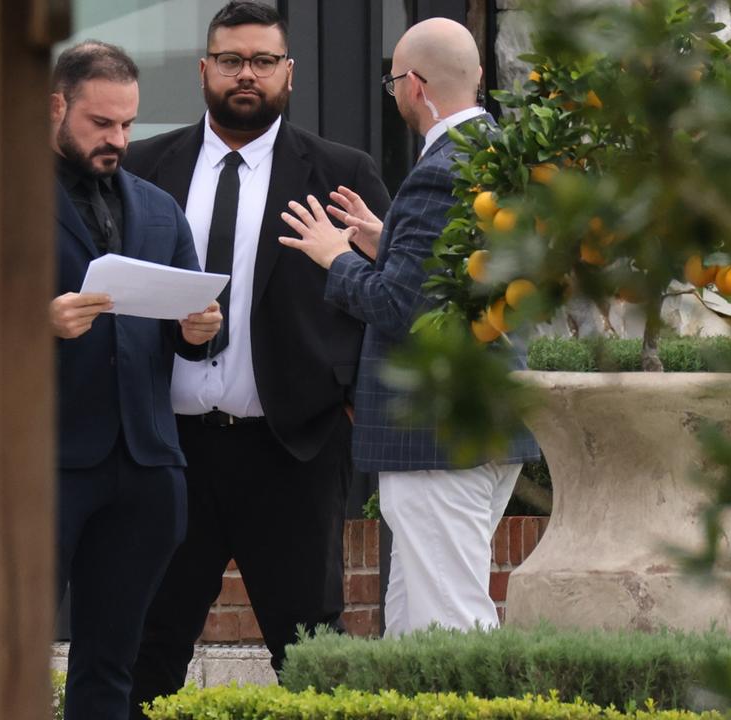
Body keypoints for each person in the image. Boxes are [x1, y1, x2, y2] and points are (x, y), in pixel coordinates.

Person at [124, 2, 391, 712]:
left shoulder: (340, 172)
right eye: (233, 59)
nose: (248, 74)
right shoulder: (147, 170)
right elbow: (116, 297)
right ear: (205, 69)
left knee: (309, 653)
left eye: (264, 61)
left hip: (292, 451)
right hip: (170, 453)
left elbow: (384, 301)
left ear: (289, 74)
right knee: (146, 646)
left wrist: (348, 400)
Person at [278, 17, 541, 637]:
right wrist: (386, 237)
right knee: (412, 626)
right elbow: (452, 285)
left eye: (392, 80)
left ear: (415, 85)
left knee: (449, 625)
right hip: (482, 425)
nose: (393, 92)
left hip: (435, 438)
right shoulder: (498, 153)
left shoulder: (439, 169)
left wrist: (333, 257)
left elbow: (403, 309)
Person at [48, 41, 223, 720]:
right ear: (56, 106)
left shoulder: (156, 209)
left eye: (127, 124)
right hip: (44, 468)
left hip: (147, 467)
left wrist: (199, 330)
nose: (118, 139)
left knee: (113, 665)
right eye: (101, 124)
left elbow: (188, 325)